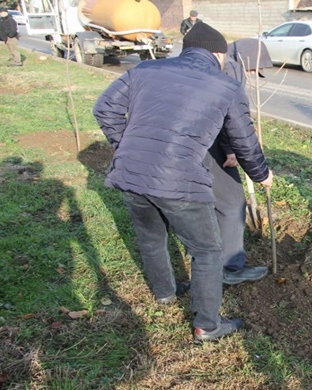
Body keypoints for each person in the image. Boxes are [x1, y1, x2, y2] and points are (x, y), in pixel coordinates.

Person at [93, 22, 273, 342]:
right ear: (218, 54)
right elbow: (243, 140)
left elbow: (105, 108)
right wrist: (261, 174)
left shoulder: (145, 70)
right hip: (179, 179)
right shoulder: (224, 85)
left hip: (131, 174)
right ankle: (207, 324)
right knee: (206, 250)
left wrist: (126, 148)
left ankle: (166, 293)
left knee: (151, 238)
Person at [203, 38, 274, 285]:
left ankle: (207, 256)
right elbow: (228, 115)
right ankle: (229, 268)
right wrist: (230, 149)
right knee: (232, 203)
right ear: (245, 58)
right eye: (254, 68)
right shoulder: (231, 67)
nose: (254, 74)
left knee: (207, 201)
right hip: (211, 146)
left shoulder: (210, 64)